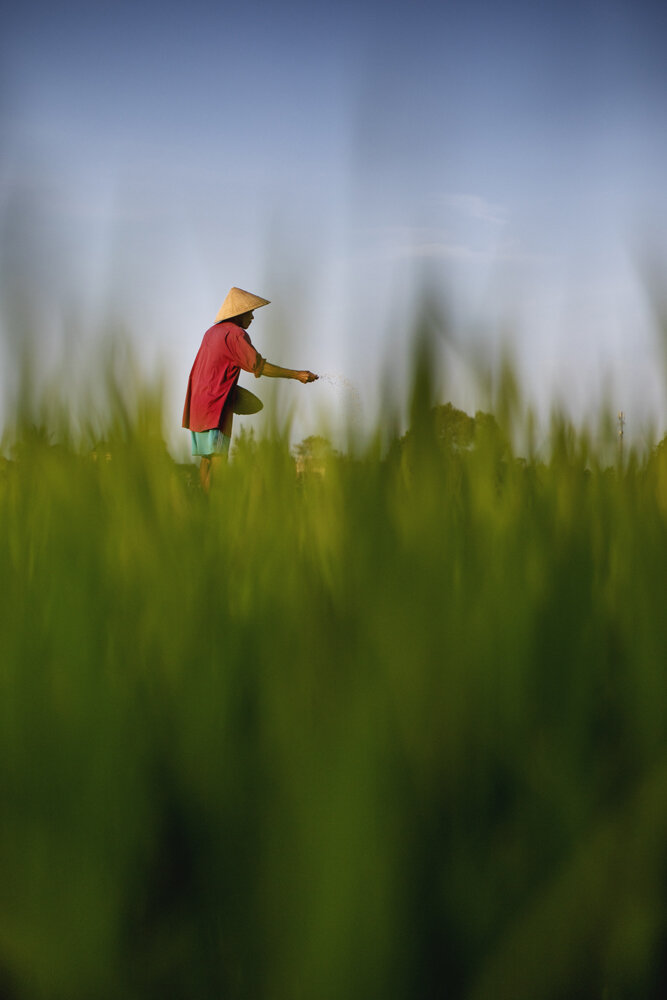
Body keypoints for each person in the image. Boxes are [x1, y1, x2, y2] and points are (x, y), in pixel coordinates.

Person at [182, 287, 318, 491]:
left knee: (207, 459)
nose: (253, 317)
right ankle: (214, 511)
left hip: (197, 403)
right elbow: (259, 367)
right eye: (250, 312)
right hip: (215, 407)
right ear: (240, 314)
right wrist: (297, 375)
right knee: (219, 459)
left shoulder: (210, 333)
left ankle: (204, 505)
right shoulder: (236, 334)